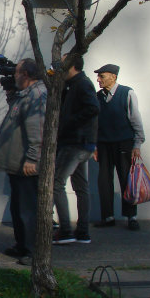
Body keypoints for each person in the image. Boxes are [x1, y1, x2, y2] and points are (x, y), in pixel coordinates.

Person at [0, 58, 47, 263]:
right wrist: (10, 93)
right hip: (17, 162)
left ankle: (32, 252)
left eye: (16, 73)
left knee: (27, 209)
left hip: (27, 163)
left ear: (25, 75)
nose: (13, 76)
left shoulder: (37, 96)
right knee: (18, 207)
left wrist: (33, 158)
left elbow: (37, 130)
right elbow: (17, 112)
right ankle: (22, 245)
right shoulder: (26, 95)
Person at [52, 55, 100, 245]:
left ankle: (66, 231)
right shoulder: (73, 84)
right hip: (81, 143)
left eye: (63, 62)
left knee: (56, 183)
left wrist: (69, 123)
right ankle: (82, 232)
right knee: (81, 187)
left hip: (75, 143)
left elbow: (92, 108)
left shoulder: (82, 84)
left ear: (71, 65)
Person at [93, 64, 145, 230]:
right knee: (104, 180)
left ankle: (131, 217)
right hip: (104, 143)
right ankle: (107, 216)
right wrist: (94, 145)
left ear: (113, 77)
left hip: (124, 142)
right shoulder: (98, 96)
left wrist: (137, 144)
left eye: (102, 76)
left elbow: (135, 119)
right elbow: (95, 123)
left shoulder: (127, 93)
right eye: (99, 76)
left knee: (126, 179)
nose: (98, 79)